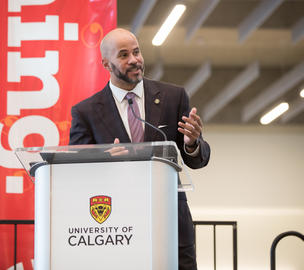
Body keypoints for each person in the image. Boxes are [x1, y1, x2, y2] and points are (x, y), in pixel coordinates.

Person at [69, 28, 210, 270]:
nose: (134, 59)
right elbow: (76, 173)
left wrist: (192, 143)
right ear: (106, 63)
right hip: (116, 228)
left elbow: (198, 160)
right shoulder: (86, 112)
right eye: (124, 55)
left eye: (136, 52)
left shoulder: (173, 96)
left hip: (171, 225)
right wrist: (103, 161)